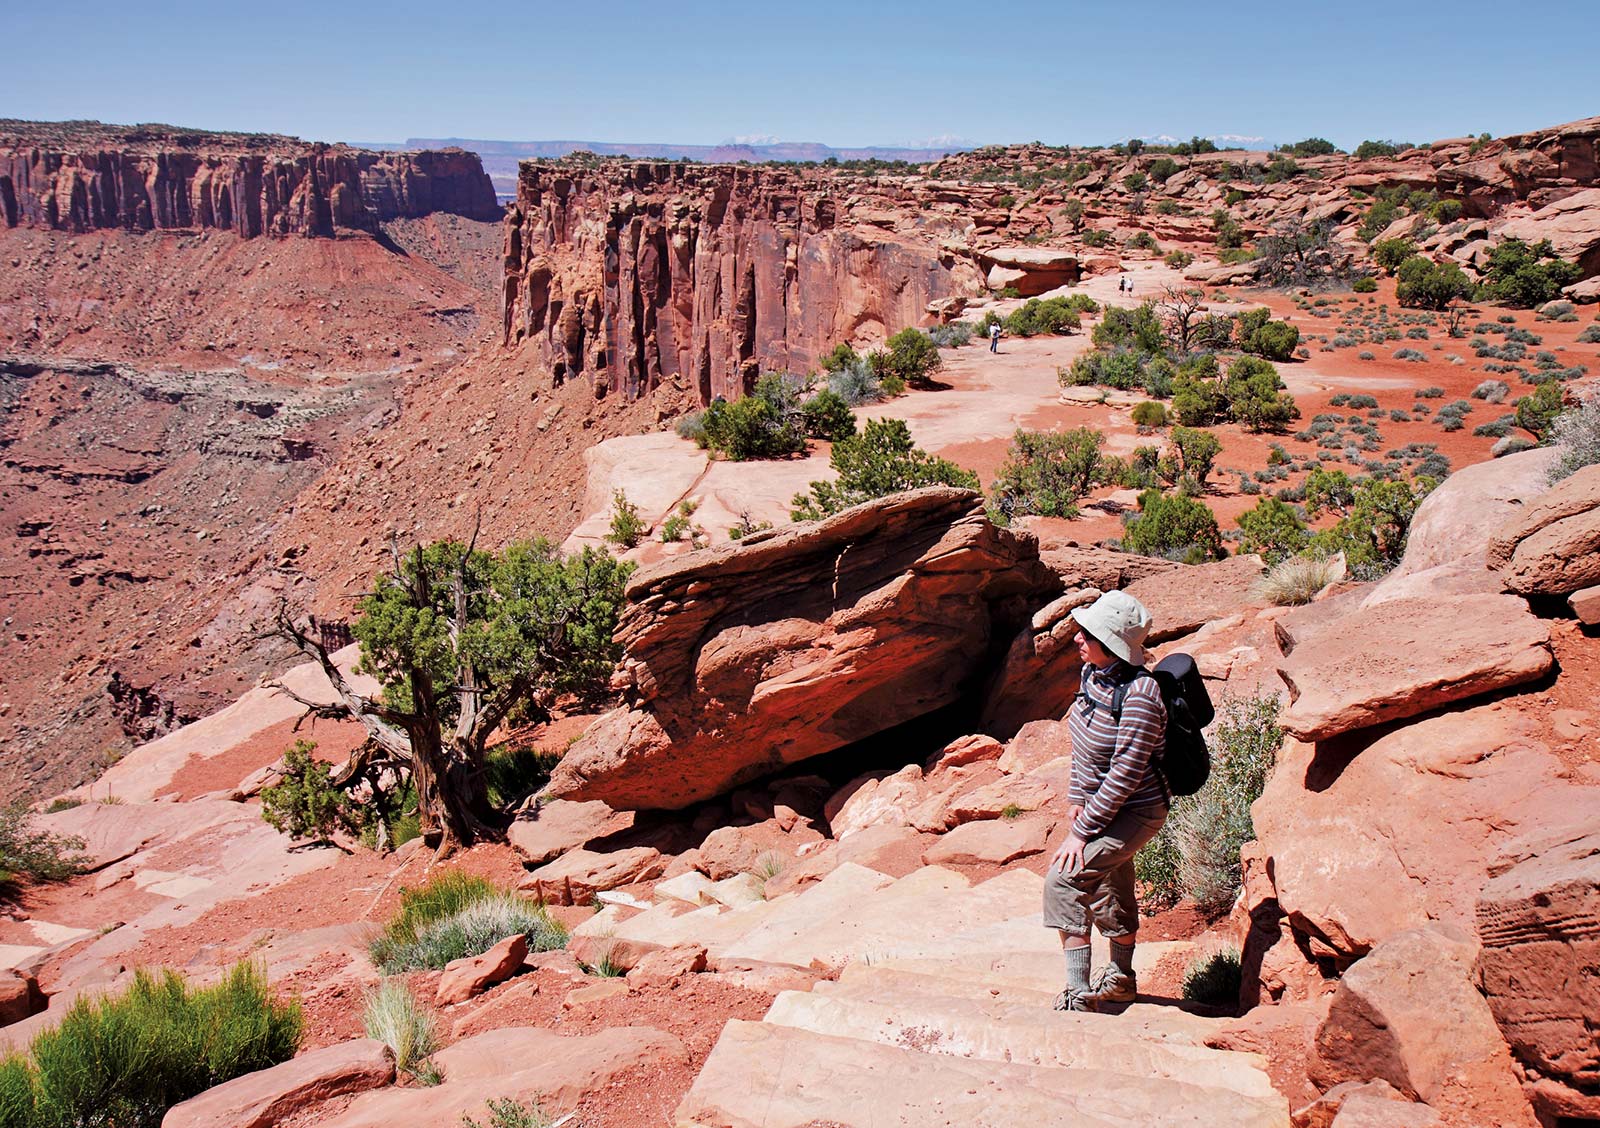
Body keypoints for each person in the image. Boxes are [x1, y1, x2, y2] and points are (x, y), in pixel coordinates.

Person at [1043, 590, 1168, 1012]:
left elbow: (1125, 775)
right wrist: (1078, 796)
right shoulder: (1093, 676)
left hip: (1136, 810)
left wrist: (1080, 833)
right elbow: (1081, 742)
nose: (1077, 638)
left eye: (1087, 633)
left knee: (1065, 878)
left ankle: (1079, 994)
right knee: (1108, 884)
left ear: (1111, 643)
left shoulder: (1141, 694)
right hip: (1102, 807)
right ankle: (1121, 981)